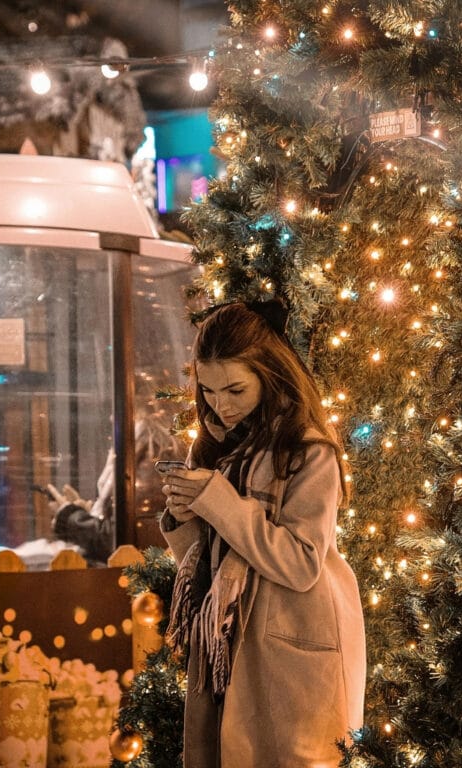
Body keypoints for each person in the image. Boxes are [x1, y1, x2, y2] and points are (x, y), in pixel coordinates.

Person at [159, 299, 366, 768]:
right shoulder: (214, 447)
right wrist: (184, 515)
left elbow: (300, 562)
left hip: (291, 651)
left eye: (235, 389)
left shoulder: (309, 451)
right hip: (226, 651)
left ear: (269, 374)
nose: (221, 405)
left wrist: (217, 500)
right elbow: (206, 565)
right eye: (209, 390)